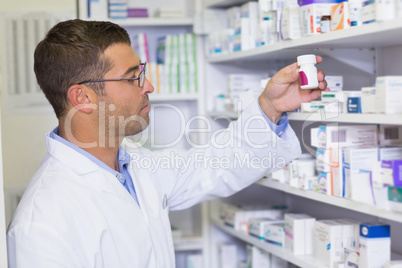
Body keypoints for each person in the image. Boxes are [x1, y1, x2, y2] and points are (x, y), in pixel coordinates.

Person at [6, 19, 327, 267]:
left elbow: (211, 168)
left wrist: (270, 107)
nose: (149, 86)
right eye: (133, 77)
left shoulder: (134, 163)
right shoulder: (42, 223)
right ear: (83, 97)